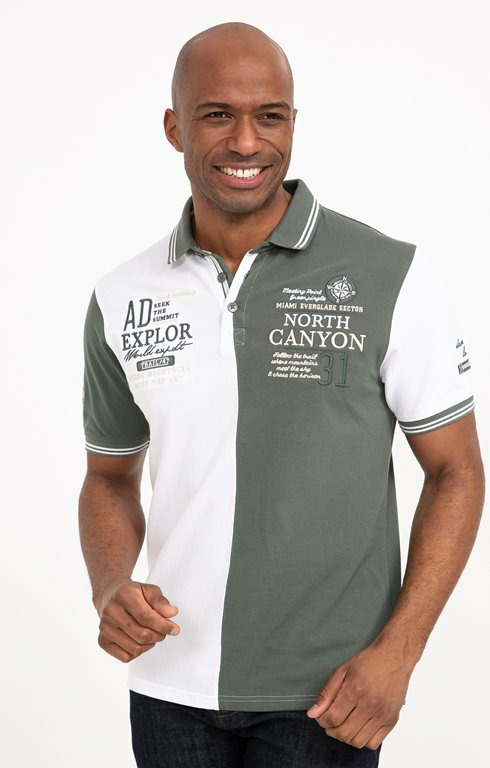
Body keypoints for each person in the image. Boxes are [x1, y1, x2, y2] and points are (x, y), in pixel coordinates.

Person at [78, 21, 484, 768]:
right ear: (174, 127)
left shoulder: (389, 274)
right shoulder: (122, 295)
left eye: (269, 116)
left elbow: (456, 471)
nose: (246, 142)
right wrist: (109, 586)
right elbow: (109, 477)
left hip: (330, 693)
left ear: (293, 123)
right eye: (216, 115)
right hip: (168, 686)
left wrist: (399, 653)